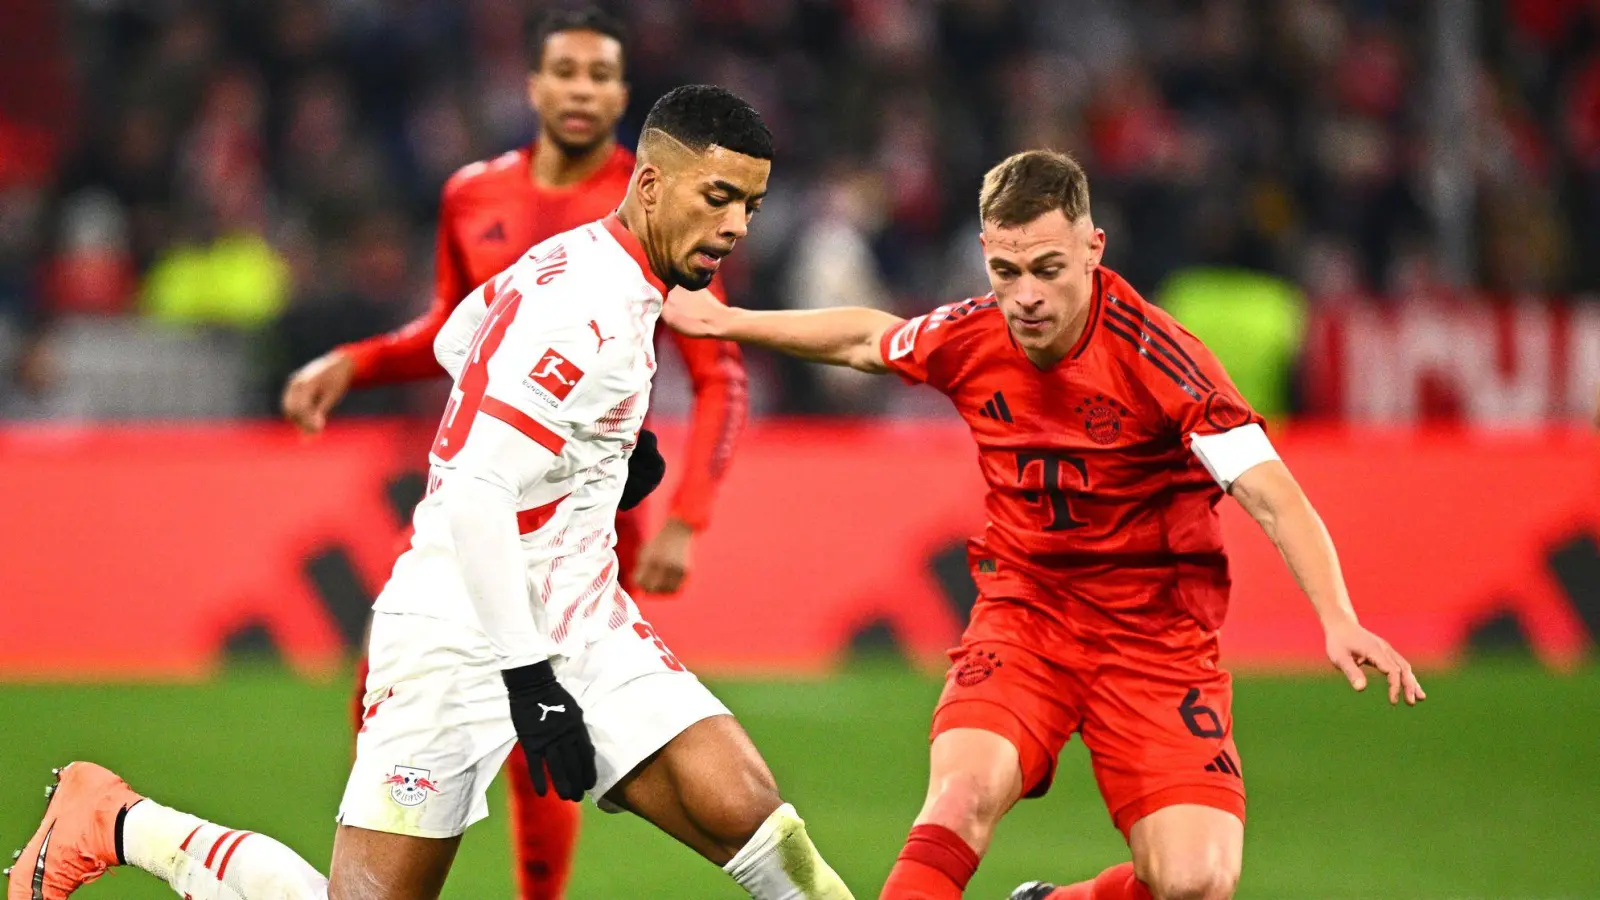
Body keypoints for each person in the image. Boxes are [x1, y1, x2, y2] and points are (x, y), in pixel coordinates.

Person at [8, 85, 852, 900]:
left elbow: (460, 338)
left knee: (757, 825)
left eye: (751, 204)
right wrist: (530, 682)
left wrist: (594, 448)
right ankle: (119, 821)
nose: (736, 226)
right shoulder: (585, 306)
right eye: (718, 197)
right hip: (456, 632)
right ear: (652, 183)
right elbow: (478, 492)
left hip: (584, 621)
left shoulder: (582, 266)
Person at [662, 149, 1426, 900]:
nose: (1024, 295)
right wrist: (726, 319)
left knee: (1195, 881)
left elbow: (1272, 492)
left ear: (1093, 250)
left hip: (1154, 643)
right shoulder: (972, 334)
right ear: (987, 256)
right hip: (1027, 620)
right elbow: (870, 338)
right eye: (1006, 271)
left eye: (1048, 270)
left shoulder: (1162, 359)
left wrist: (1337, 616)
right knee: (961, 797)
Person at [279, 9, 748, 898]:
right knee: (408, 704)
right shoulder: (473, 195)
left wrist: (684, 516)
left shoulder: (670, 204)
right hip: (482, 493)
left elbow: (719, 370)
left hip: (586, 523)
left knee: (551, 745)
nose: (582, 89)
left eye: (602, 74)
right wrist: (357, 363)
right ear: (532, 86)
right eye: (565, 71)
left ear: (622, 95)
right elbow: (455, 330)